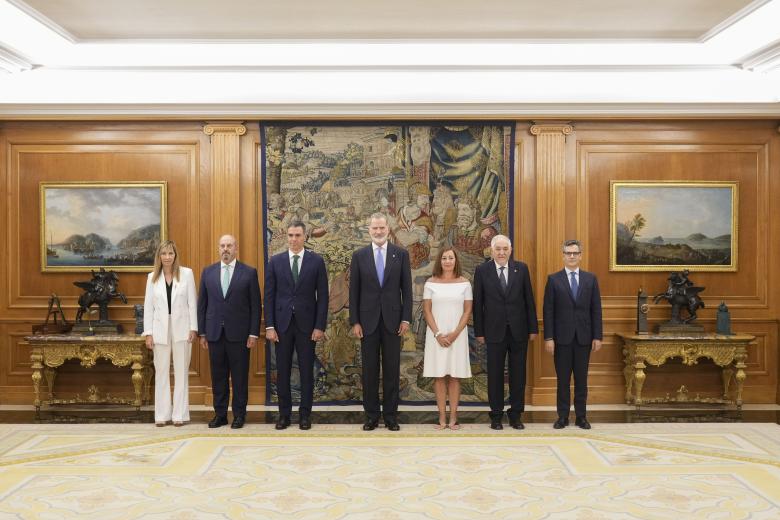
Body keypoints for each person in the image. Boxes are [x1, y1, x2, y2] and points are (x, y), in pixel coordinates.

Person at [349, 213, 412, 431]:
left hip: (394, 322)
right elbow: (353, 292)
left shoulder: (401, 255)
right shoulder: (359, 256)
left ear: (388, 229)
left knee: (392, 370)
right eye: (374, 228)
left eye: (382, 228)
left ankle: (391, 417)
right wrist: (355, 321)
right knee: (370, 371)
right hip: (367, 323)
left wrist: (406, 318)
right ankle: (372, 416)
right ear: (369, 230)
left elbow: (408, 290)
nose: (378, 232)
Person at [264, 221, 329, 430]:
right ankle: (284, 415)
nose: (293, 239)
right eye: (290, 235)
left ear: (304, 237)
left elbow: (323, 298)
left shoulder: (316, 262)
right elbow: (269, 296)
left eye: (297, 235)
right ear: (287, 237)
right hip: (281, 326)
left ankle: (304, 416)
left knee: (306, 371)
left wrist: (319, 326)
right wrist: (270, 326)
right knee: (282, 371)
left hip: (307, 326)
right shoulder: (275, 261)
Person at [473, 235, 538, 430]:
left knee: (519, 375)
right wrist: (479, 331)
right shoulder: (482, 271)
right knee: (494, 375)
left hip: (519, 331)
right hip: (493, 331)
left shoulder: (522, 269)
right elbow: (478, 304)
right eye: (498, 249)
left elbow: (529, 300)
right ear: (491, 251)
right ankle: (496, 415)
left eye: (505, 249)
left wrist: (533, 328)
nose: (501, 253)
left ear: (510, 250)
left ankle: (516, 415)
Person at [197, 234, 261, 429]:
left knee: (240, 377)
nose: (225, 249)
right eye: (222, 246)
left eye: (229, 246)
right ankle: (220, 415)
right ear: (218, 249)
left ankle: (240, 415)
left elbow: (255, 306)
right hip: (215, 334)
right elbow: (202, 305)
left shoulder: (249, 273)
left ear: (236, 248)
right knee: (218, 377)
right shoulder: (208, 272)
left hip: (240, 335)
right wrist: (202, 332)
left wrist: (253, 333)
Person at [543, 240, 603, 430]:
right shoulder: (553, 280)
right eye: (568, 253)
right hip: (561, 339)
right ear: (563, 255)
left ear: (580, 256)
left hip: (584, 338)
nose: (571, 256)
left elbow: (596, 310)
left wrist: (597, 336)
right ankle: (562, 417)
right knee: (562, 380)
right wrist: (549, 337)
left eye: (575, 253)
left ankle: (581, 417)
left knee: (581, 380)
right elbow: (548, 311)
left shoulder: (590, 279)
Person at [142, 240, 198, 427]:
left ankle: (179, 414)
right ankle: (161, 415)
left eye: (170, 253)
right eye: (164, 254)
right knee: (162, 371)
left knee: (181, 372)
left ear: (175, 255)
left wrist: (193, 328)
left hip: (182, 329)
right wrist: (148, 333)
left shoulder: (187, 274)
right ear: (159, 256)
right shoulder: (152, 278)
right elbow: (148, 307)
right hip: (159, 330)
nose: (167, 257)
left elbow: (192, 303)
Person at [422, 247, 473, 430]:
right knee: (439, 376)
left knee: (454, 377)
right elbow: (427, 310)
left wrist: (454, 333)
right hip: (436, 336)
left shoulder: (465, 283)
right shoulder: (430, 283)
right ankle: (442, 418)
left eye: (451, 258)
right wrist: (437, 334)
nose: (447, 261)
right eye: (444, 258)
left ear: (456, 261)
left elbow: (467, 311)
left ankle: (453, 418)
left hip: (457, 336)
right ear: (440, 261)